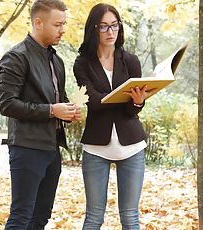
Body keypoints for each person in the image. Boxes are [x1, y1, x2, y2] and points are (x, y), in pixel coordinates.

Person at [0, 0, 82, 229]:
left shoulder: (57, 60)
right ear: (38, 22)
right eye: (57, 24)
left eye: (64, 24)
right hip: (26, 148)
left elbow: (56, 100)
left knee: (41, 217)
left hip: (52, 149)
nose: (62, 29)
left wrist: (68, 110)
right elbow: (7, 104)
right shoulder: (16, 57)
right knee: (21, 217)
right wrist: (52, 111)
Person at [73, 3, 157, 229]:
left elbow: (131, 111)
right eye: (103, 27)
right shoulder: (82, 63)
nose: (110, 32)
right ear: (93, 29)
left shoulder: (130, 61)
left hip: (132, 146)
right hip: (96, 147)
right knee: (93, 217)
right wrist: (121, 97)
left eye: (114, 25)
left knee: (130, 217)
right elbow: (93, 101)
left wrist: (138, 101)